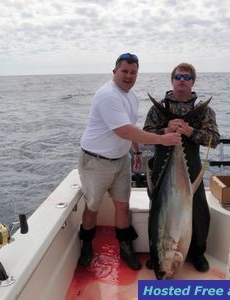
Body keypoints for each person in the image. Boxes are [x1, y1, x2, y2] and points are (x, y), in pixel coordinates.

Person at [78, 53, 181, 271]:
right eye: (124, 71)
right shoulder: (108, 95)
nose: (129, 76)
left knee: (122, 206)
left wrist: (135, 153)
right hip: (96, 161)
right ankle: (86, 245)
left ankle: (125, 249)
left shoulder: (131, 96)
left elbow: (131, 129)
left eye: (133, 72)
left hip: (120, 160)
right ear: (114, 71)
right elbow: (123, 130)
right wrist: (162, 139)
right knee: (92, 207)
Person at [143, 62, 220, 272]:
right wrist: (165, 130)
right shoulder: (157, 108)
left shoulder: (204, 111)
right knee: (158, 210)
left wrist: (189, 131)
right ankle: (156, 254)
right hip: (162, 163)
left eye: (186, 78)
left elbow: (213, 140)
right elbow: (146, 135)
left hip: (191, 164)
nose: (182, 81)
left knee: (198, 210)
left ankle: (197, 253)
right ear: (172, 80)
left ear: (193, 82)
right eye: (178, 77)